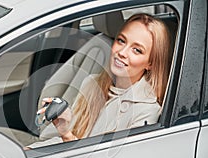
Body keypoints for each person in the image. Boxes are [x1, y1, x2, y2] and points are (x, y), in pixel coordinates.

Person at [27, 13, 171, 148]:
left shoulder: (146, 112)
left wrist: (66, 134)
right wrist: (31, 150)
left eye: (137, 50)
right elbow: (73, 139)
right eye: (121, 41)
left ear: (150, 63)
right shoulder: (92, 83)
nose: (122, 52)